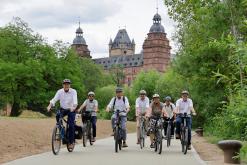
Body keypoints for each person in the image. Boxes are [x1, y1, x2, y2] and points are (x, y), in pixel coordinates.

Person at [47, 79, 78, 149]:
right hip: (63, 109)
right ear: (63, 85)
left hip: (71, 109)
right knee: (58, 116)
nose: (66, 85)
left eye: (68, 84)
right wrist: (49, 106)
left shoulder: (73, 91)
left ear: (70, 85)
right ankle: (61, 129)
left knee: (71, 125)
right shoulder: (59, 92)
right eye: (65, 84)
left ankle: (71, 142)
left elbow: (75, 102)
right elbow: (54, 100)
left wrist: (73, 107)